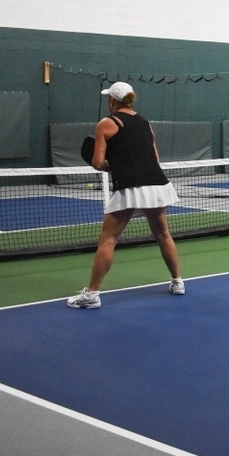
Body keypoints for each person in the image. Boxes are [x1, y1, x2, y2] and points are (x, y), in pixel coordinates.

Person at [67, 82, 184, 309]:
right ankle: (177, 282)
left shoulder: (106, 124)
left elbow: (99, 162)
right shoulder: (145, 123)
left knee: (108, 239)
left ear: (112, 100)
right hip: (157, 183)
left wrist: (113, 166)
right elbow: (155, 158)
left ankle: (91, 295)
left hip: (130, 185)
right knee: (163, 234)